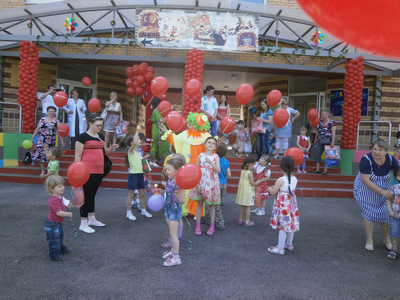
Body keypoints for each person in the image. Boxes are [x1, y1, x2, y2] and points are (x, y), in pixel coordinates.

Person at [161, 112, 212, 217]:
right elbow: (175, 140)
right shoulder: (184, 134)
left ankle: (195, 212)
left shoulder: (206, 136)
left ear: (198, 124)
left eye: (191, 123)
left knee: (197, 189)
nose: (189, 124)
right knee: (184, 188)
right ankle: (183, 210)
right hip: (185, 167)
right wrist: (167, 131)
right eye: (189, 122)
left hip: (198, 167)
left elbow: (211, 147)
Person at [75, 114, 119, 234]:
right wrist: (77, 172)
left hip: (99, 170)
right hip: (86, 171)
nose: (100, 127)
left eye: (101, 125)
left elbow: (102, 152)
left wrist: (110, 149)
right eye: (97, 125)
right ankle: (83, 223)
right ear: (90, 123)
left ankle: (92, 218)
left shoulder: (100, 136)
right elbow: (78, 156)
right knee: (87, 196)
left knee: (92, 195)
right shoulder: (82, 137)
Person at [353, 139, 399, 251]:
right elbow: (365, 181)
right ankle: (369, 240)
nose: (376, 152)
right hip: (366, 190)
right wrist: (383, 192)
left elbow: (398, 173)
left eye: (380, 150)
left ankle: (387, 239)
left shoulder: (390, 159)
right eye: (374, 149)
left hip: (385, 190)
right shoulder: (366, 160)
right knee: (369, 213)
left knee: (386, 214)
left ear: (386, 151)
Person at [189, 137, 221, 236]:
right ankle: (198, 225)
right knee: (200, 203)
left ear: (215, 146)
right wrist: (197, 185)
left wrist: (211, 162)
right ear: (205, 144)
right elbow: (197, 171)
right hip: (202, 182)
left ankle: (212, 225)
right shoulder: (200, 156)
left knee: (211, 205)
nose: (211, 144)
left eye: (213, 143)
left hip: (212, 183)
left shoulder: (216, 156)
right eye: (209, 143)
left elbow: (218, 170)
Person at [267, 156, 299, 255]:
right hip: (292, 205)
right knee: (290, 225)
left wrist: (269, 188)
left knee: (283, 226)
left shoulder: (280, 180)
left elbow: (273, 191)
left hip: (283, 206)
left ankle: (280, 248)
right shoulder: (295, 179)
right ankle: (289, 244)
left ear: (281, 167)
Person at [160, 158, 186, 267]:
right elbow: (167, 194)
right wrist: (162, 192)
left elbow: (183, 201)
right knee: (171, 232)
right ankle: (172, 250)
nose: (167, 171)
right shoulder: (170, 181)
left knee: (173, 234)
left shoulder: (180, 184)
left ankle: (176, 257)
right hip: (167, 208)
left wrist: (179, 196)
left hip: (174, 209)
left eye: (169, 169)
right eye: (167, 169)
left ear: (177, 170)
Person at [125, 125, 153, 220]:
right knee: (131, 194)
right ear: (132, 142)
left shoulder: (138, 152)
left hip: (140, 175)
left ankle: (144, 210)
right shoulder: (131, 150)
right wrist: (137, 130)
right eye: (137, 139)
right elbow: (134, 143)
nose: (139, 140)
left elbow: (139, 162)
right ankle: (128, 213)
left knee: (142, 194)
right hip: (133, 175)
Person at [43, 175, 72, 261]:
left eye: (62, 185)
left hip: (57, 223)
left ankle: (61, 248)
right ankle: (54, 255)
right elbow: (58, 212)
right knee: (54, 239)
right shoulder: (53, 199)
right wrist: (68, 214)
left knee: (60, 236)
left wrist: (67, 205)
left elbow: (62, 205)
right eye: (59, 186)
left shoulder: (59, 196)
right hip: (52, 224)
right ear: (51, 188)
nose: (62, 187)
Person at [31, 106, 65, 176]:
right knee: (40, 154)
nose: (52, 113)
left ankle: (50, 169)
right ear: (47, 112)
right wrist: (32, 138)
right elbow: (37, 129)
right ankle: (43, 170)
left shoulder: (57, 121)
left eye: (53, 111)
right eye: (50, 111)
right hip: (41, 140)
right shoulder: (42, 119)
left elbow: (60, 131)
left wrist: (62, 141)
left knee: (50, 154)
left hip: (50, 140)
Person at [203, 142, 230, 230]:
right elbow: (229, 174)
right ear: (226, 153)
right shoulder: (226, 161)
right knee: (214, 203)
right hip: (223, 184)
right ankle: (207, 218)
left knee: (215, 205)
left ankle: (220, 223)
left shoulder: (214, 159)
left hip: (215, 183)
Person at [236, 155, 259, 226]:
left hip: (243, 192)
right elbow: (252, 183)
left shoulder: (243, 171)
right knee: (248, 207)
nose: (254, 166)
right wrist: (257, 182)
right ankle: (247, 221)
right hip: (248, 192)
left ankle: (240, 219)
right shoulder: (250, 173)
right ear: (250, 164)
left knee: (242, 205)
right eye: (254, 164)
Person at [313, 109, 336, 175]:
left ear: (327, 115)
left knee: (327, 156)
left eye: (323, 114)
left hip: (328, 140)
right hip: (320, 140)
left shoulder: (332, 122)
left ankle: (325, 170)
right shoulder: (321, 122)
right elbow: (318, 131)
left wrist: (333, 142)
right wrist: (315, 139)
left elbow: (333, 132)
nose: (322, 115)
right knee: (317, 154)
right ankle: (318, 169)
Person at [151, 97, 170, 166]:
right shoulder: (159, 111)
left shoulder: (154, 110)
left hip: (154, 130)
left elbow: (153, 120)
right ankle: (161, 160)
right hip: (160, 130)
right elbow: (160, 121)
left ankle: (154, 160)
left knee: (155, 144)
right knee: (162, 145)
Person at [387, 167, 400, 259]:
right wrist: (390, 211)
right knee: (394, 234)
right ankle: (394, 249)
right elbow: (388, 200)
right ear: (398, 177)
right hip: (395, 216)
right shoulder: (394, 188)